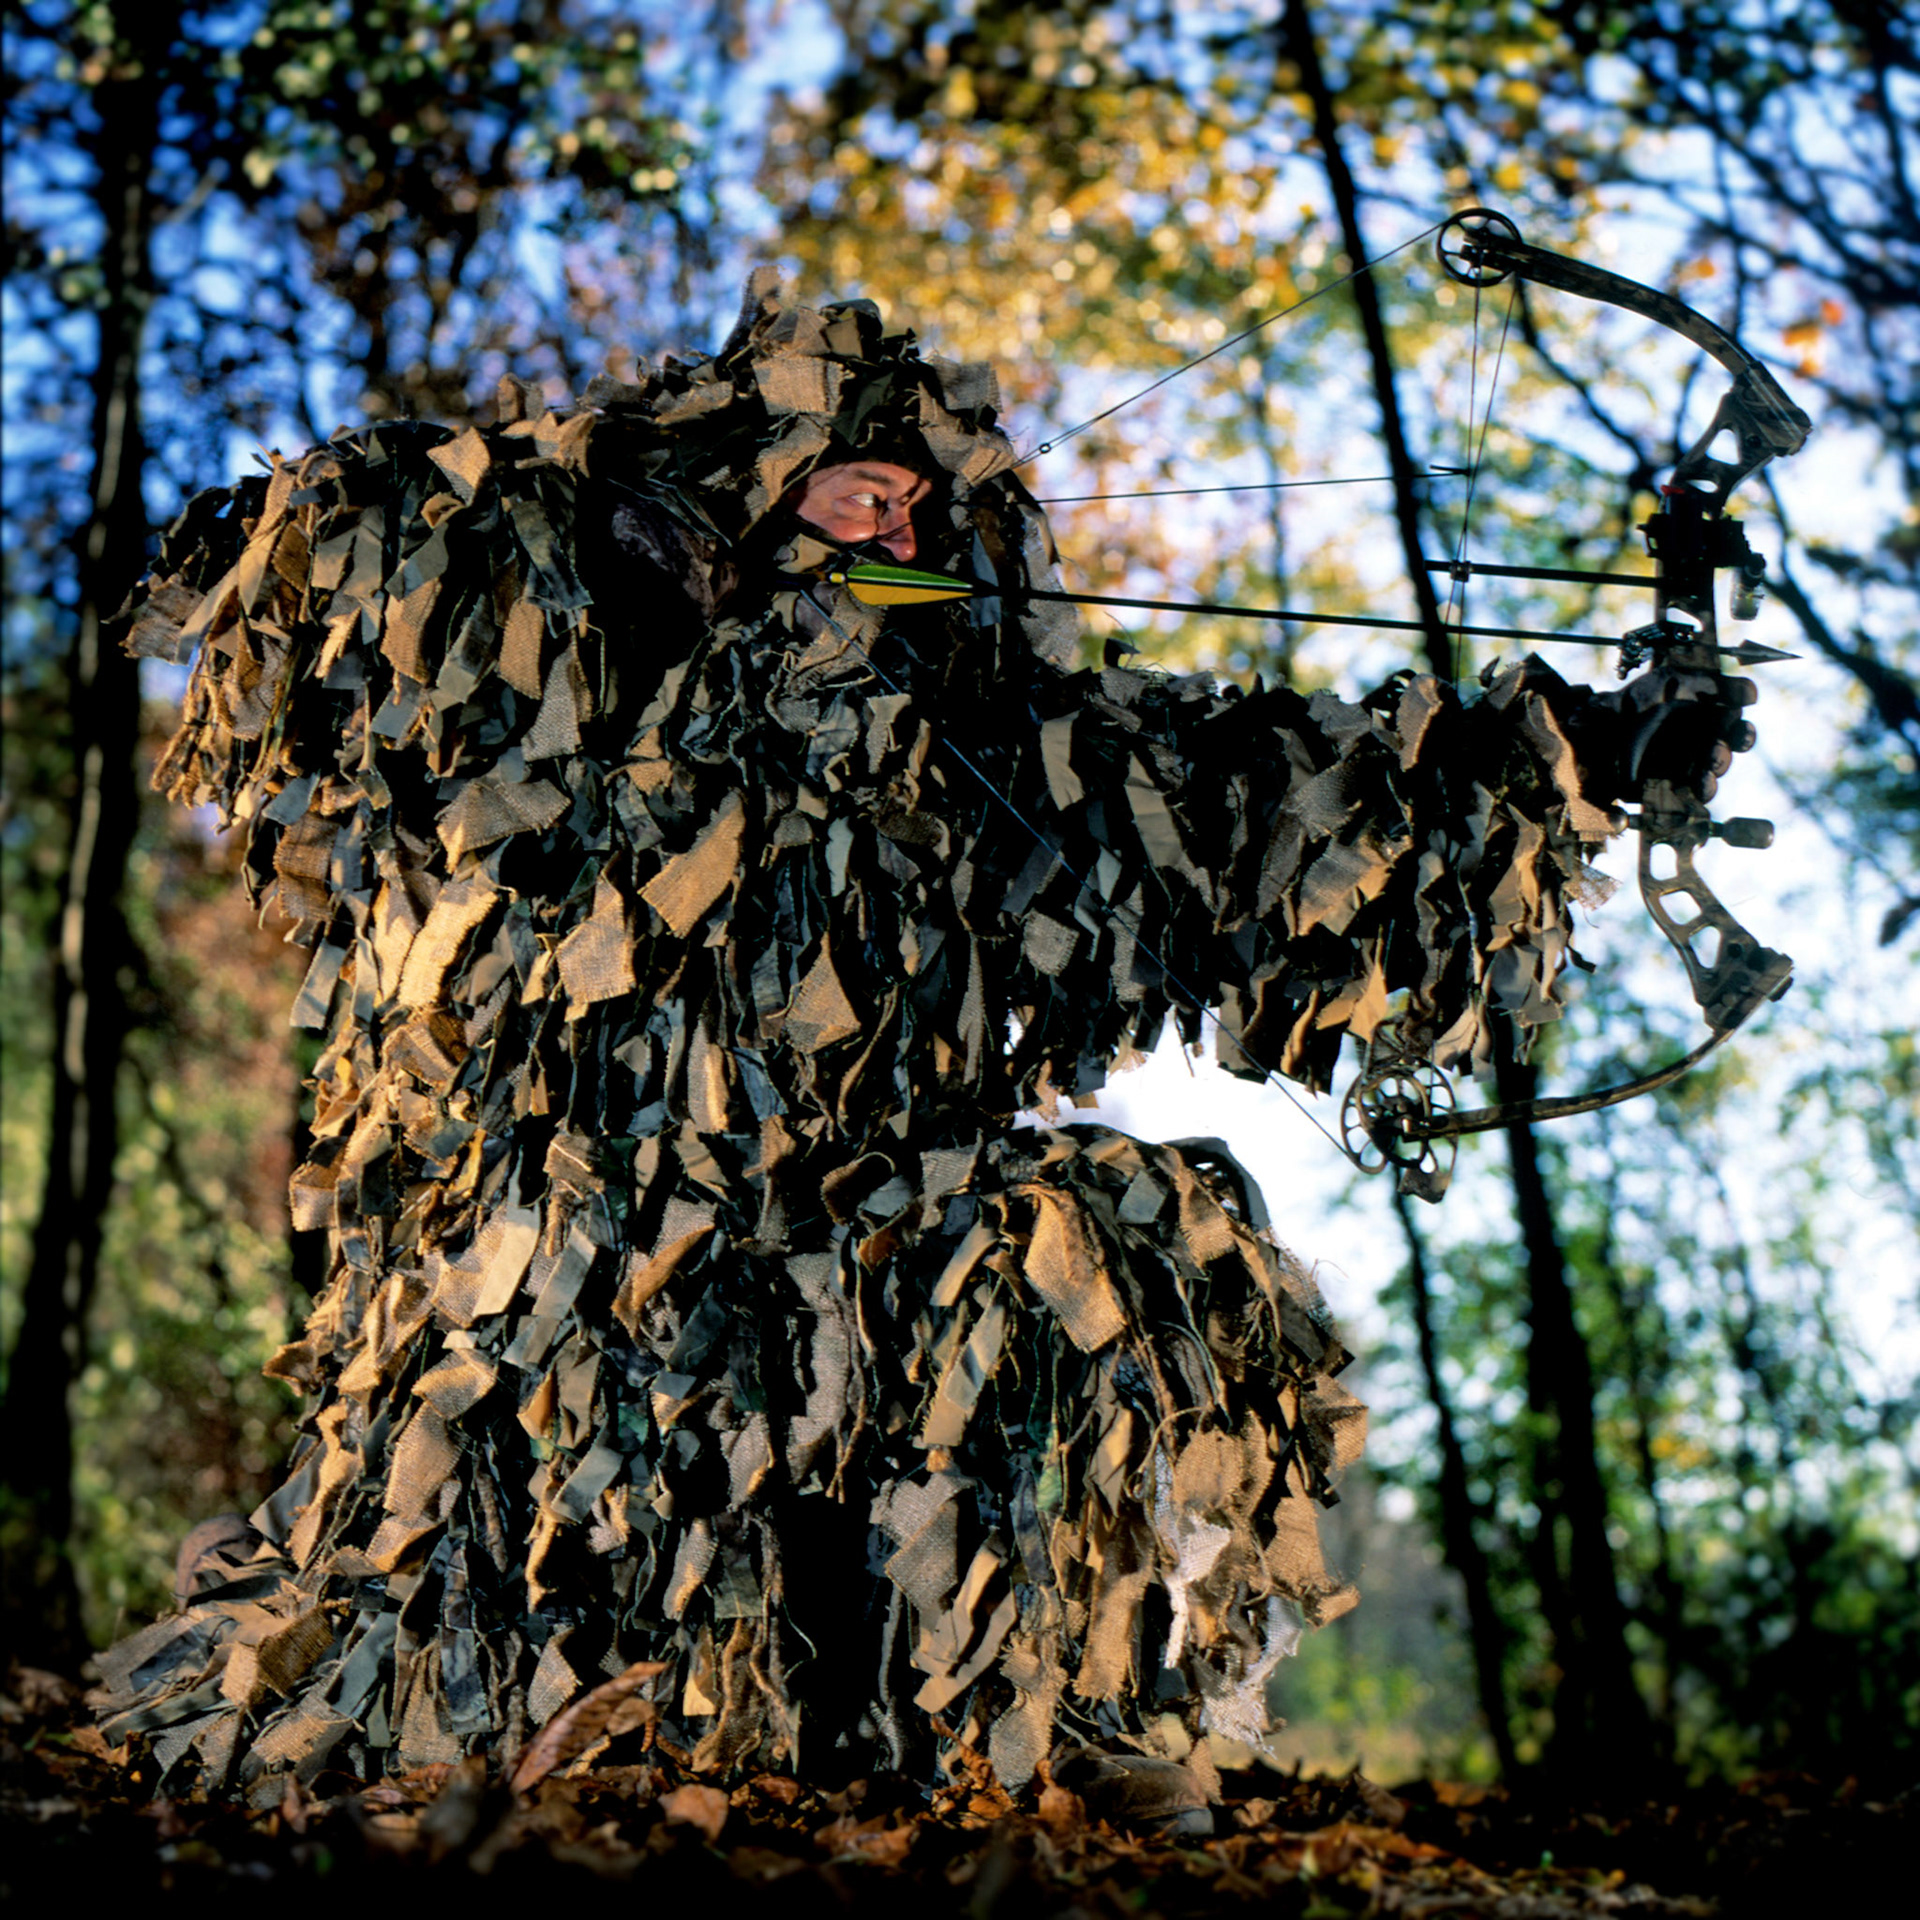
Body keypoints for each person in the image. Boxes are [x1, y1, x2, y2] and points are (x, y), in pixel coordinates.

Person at [91, 272, 1747, 1814]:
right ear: (748, 461)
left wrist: (1582, 755)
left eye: (927, 498)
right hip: (561, 1296)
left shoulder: (991, 756)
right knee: (567, 1403)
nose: (896, 511)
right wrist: (593, 526)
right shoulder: (557, 645)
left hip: (868, 1262)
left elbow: (1263, 808)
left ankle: (993, 1723)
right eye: (856, 473)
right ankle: (562, 1698)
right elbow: (285, 561)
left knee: (1125, 1238)